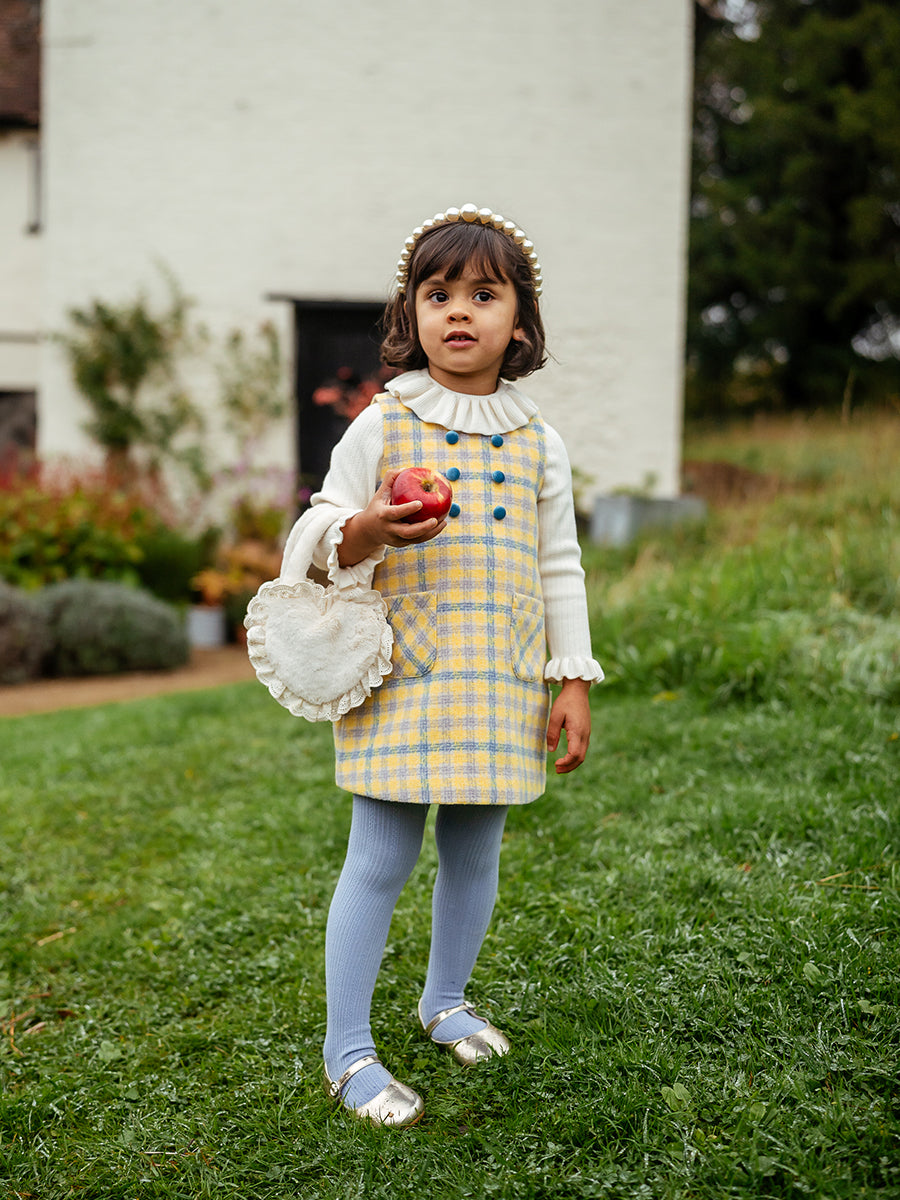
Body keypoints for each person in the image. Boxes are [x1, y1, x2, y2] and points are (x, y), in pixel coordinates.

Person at [288, 205, 603, 1127]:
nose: (459, 311)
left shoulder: (539, 441)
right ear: (411, 314)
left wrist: (571, 677)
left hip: (501, 676)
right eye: (438, 294)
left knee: (474, 852)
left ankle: (445, 1002)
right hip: (404, 676)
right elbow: (321, 525)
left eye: (483, 294)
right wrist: (371, 526)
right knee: (380, 856)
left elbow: (560, 564)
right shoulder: (384, 424)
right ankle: (347, 1050)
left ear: (521, 321)